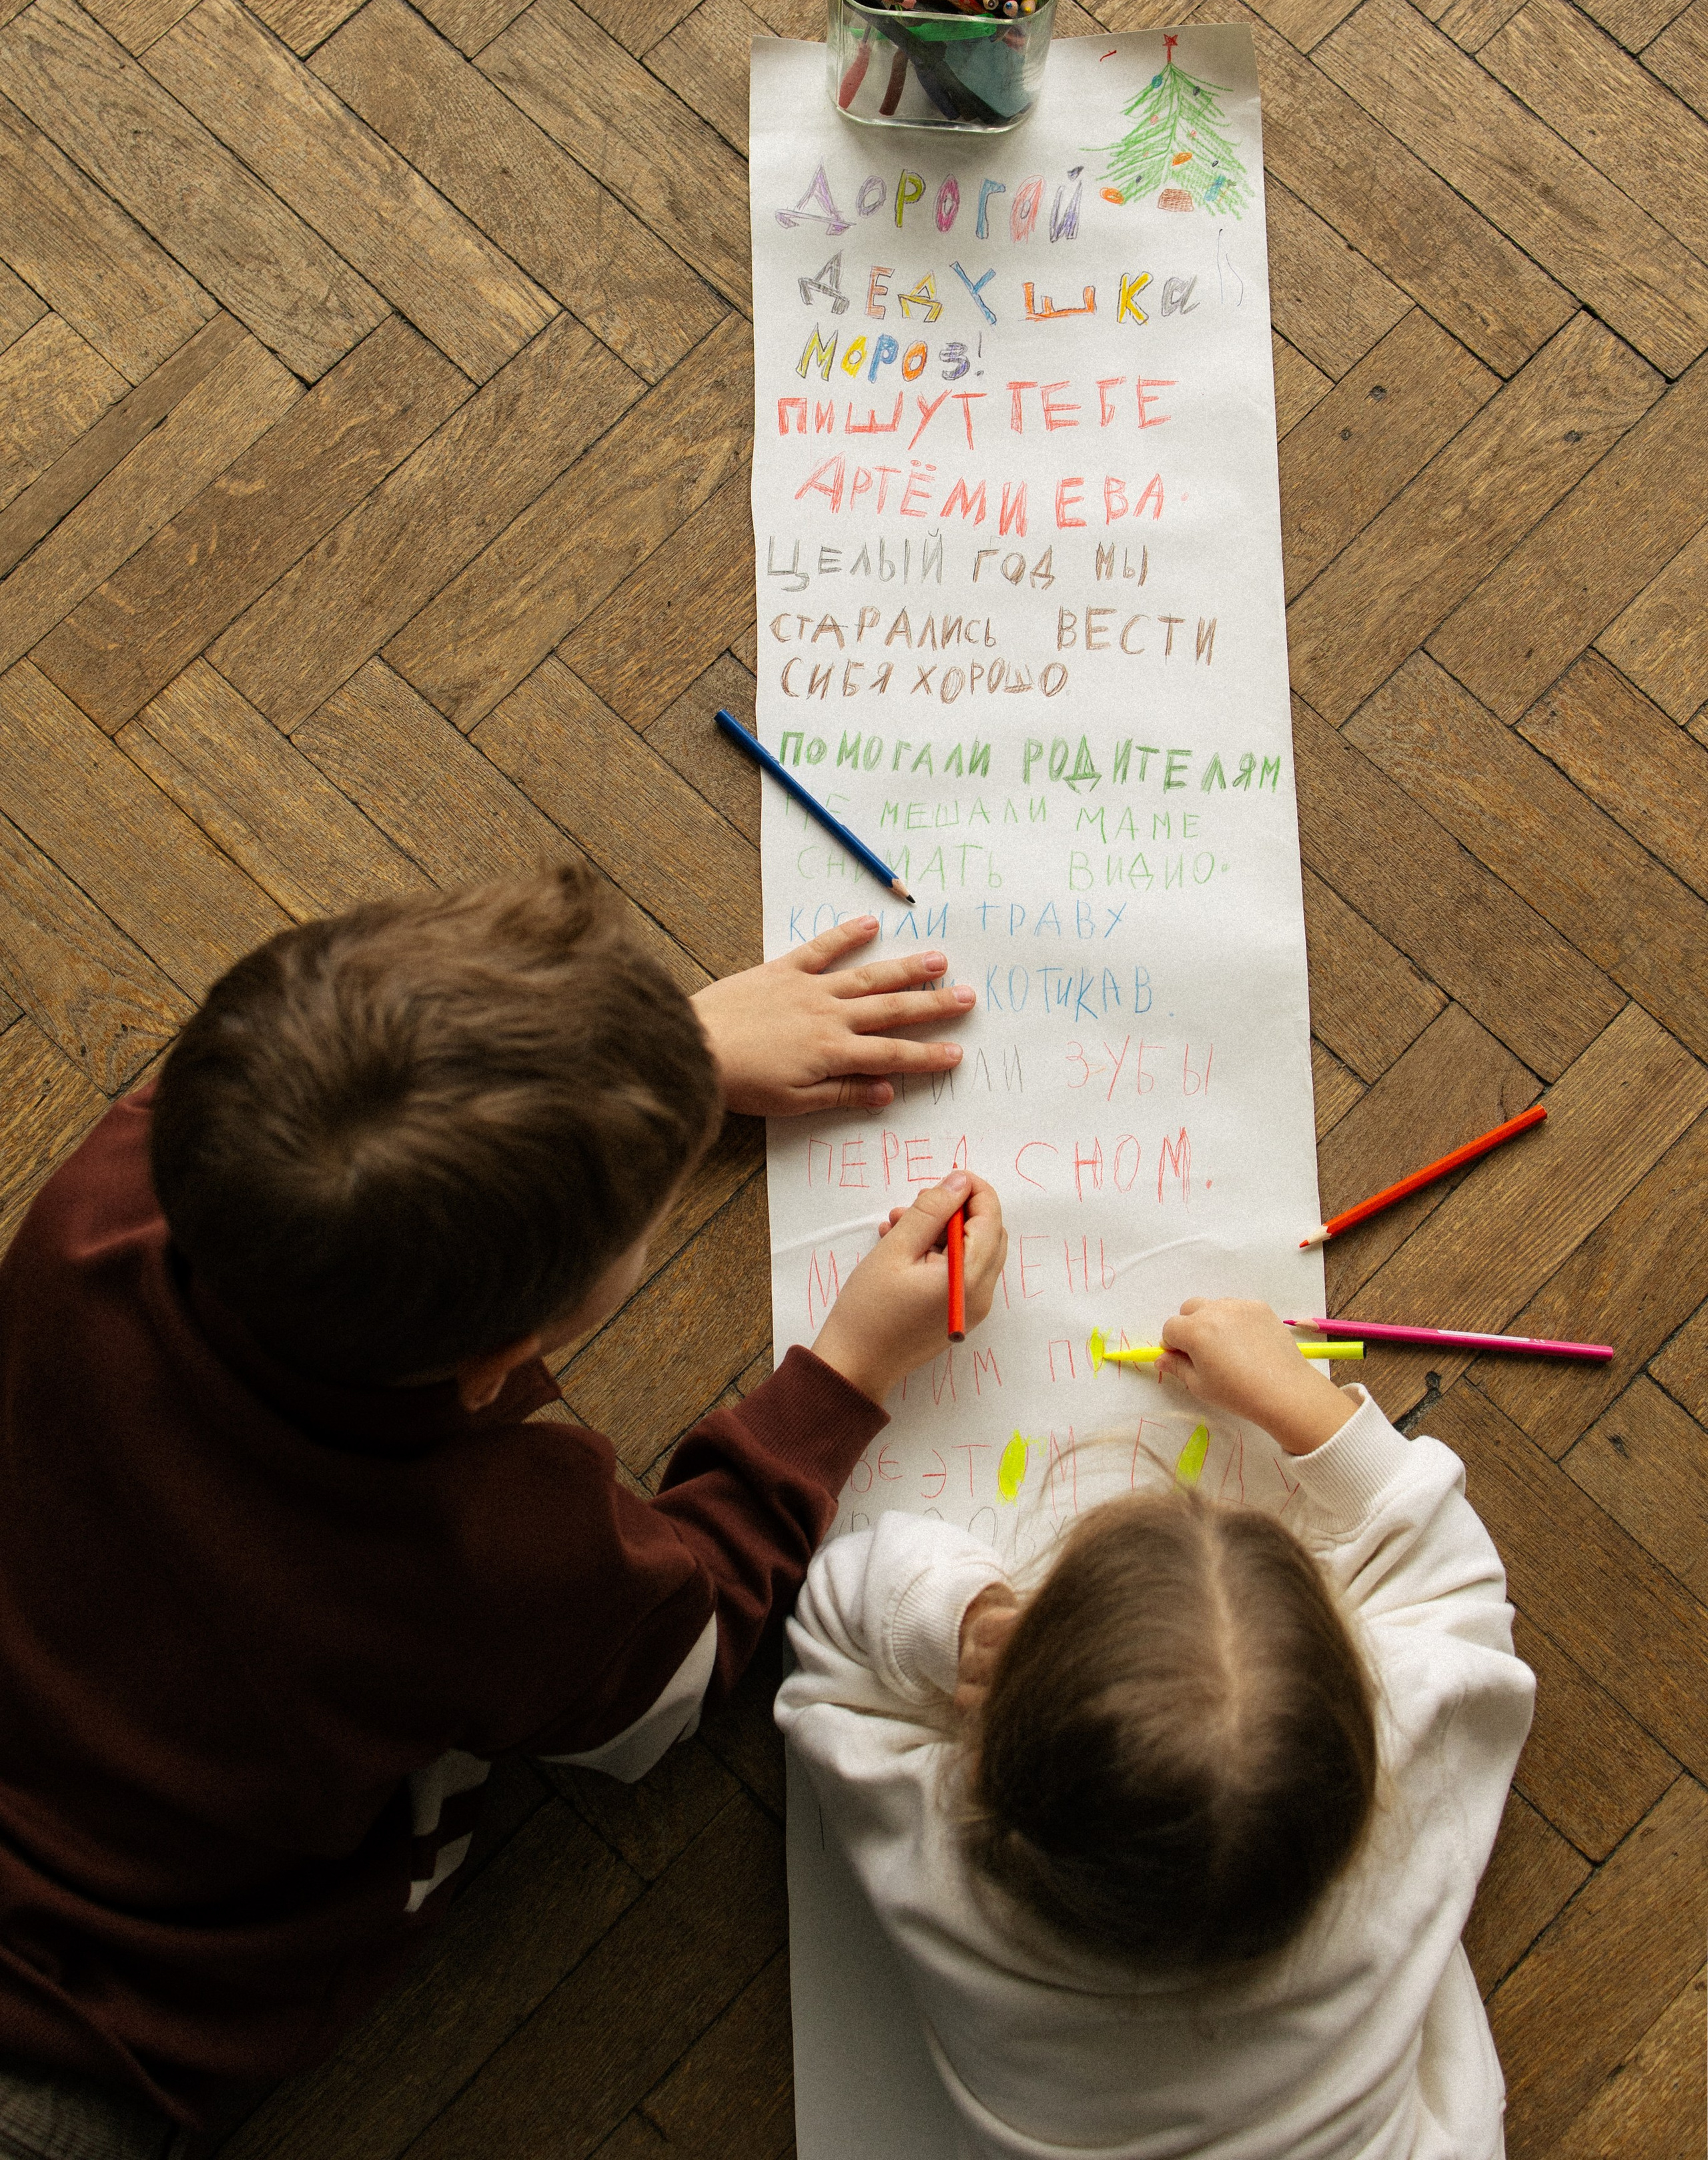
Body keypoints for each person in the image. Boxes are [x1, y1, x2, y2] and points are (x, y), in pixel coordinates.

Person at [0, 860, 1007, 2156]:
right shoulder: (493, 1558)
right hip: (94, 2035)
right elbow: (673, 1678)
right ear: (498, 1364)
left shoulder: (117, 1185)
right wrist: (845, 1379)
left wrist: (661, 1061)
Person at [779, 1293, 1535, 2160]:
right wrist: (1300, 1401)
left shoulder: (940, 1879)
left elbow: (828, 1638)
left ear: (992, 1753)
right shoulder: (1420, 1769)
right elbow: (1454, 1581)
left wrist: (967, 1620)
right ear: (1367, 1738)